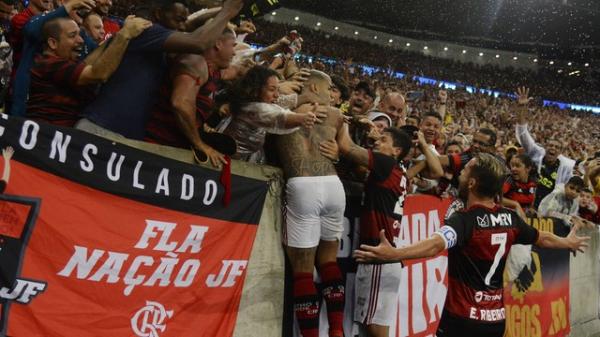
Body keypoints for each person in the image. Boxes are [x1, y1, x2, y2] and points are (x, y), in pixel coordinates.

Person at [354, 153, 590, 337]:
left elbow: (435, 244)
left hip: (461, 320)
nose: (461, 170)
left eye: (465, 169)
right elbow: (542, 237)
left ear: (472, 183)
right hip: (496, 321)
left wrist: (393, 254)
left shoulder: (465, 220)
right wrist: (566, 242)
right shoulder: (511, 218)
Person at [76, 0, 244, 140]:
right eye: (178, 19)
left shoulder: (162, 46)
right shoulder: (147, 32)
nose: (182, 26)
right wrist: (227, 12)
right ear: (158, 14)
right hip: (100, 129)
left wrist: (220, 10)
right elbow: (199, 42)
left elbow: (188, 26)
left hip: (123, 135)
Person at [275, 70, 346, 337]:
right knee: (329, 262)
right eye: (329, 89)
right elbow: (347, 148)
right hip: (333, 186)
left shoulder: (280, 108)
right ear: (315, 87)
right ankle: (337, 331)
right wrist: (338, 154)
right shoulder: (337, 117)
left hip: (302, 184)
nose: (332, 95)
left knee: (303, 271)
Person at [25, 15, 151, 126]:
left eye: (79, 34)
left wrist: (116, 36)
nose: (80, 40)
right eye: (72, 35)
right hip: (47, 139)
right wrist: (125, 35)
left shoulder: (60, 62)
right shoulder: (49, 64)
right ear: (53, 43)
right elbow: (99, 74)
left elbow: (86, 64)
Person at [222, 66, 325, 164]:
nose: (277, 95)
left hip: (247, 156)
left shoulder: (248, 101)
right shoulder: (256, 109)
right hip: (233, 162)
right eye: (272, 90)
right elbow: (278, 117)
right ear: (255, 90)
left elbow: (281, 102)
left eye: (278, 89)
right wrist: (302, 118)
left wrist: (306, 97)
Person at [514, 87, 576, 208]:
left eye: (556, 147)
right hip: (525, 201)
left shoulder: (565, 167)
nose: (553, 148)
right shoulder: (536, 152)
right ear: (545, 146)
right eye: (551, 145)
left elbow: (571, 189)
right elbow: (522, 132)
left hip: (548, 209)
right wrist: (522, 107)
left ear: (560, 152)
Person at [502, 154, 538, 218]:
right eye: (512, 166)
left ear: (528, 168)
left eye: (517, 166)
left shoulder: (533, 183)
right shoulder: (508, 181)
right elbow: (497, 199)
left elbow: (531, 204)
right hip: (507, 217)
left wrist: (531, 209)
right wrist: (515, 204)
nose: (513, 169)